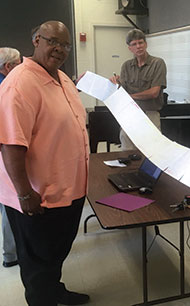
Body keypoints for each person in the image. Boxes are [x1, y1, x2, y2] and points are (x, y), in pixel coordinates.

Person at [0, 21, 90, 305]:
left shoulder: (60, 78)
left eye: (65, 45)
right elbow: (10, 144)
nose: (60, 49)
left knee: (55, 252)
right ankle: (43, 298)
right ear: (36, 39)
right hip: (38, 196)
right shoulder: (20, 82)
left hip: (66, 190)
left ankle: (55, 291)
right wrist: (25, 193)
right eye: (53, 41)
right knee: (37, 262)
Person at [110, 29, 167, 150]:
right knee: (127, 150)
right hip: (130, 114)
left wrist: (130, 96)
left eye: (141, 43)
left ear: (146, 44)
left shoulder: (158, 63)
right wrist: (116, 83)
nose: (138, 46)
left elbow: (154, 92)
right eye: (134, 44)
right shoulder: (126, 66)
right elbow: (121, 91)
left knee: (153, 152)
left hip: (150, 114)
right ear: (129, 48)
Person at [0, 47, 21, 268]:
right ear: (8, 67)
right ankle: (11, 254)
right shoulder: (7, 87)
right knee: (10, 202)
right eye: (18, 63)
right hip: (6, 154)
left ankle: (10, 253)